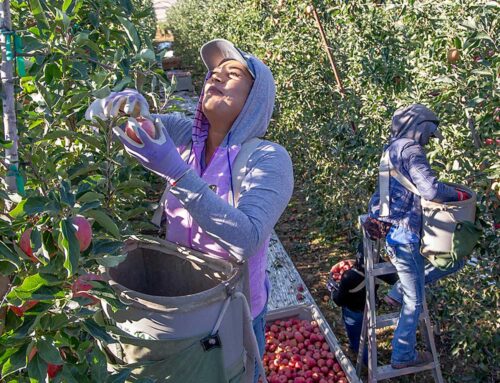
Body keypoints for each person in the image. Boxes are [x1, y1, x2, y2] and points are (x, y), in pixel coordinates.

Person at [86, 39, 294, 380]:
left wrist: (178, 174)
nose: (215, 77)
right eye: (212, 72)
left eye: (231, 73)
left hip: (229, 314)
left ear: (255, 98)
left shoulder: (268, 158)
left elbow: (248, 237)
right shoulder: (187, 136)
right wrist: (128, 109)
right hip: (179, 307)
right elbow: (140, 126)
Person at [366, 104, 468, 369]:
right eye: (429, 132)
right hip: (406, 235)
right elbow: (431, 190)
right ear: (419, 127)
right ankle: (402, 356)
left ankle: (399, 289)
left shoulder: (391, 148)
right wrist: (458, 195)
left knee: (453, 261)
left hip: (395, 232)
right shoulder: (411, 150)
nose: (428, 139)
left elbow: (384, 194)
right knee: (415, 299)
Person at [329, 244, 398, 364]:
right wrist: (381, 263)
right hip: (369, 308)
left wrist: (333, 290)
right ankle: (362, 347)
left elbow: (339, 301)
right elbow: (394, 279)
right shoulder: (378, 269)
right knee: (364, 329)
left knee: (357, 339)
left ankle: (369, 363)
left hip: (353, 313)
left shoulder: (348, 276)